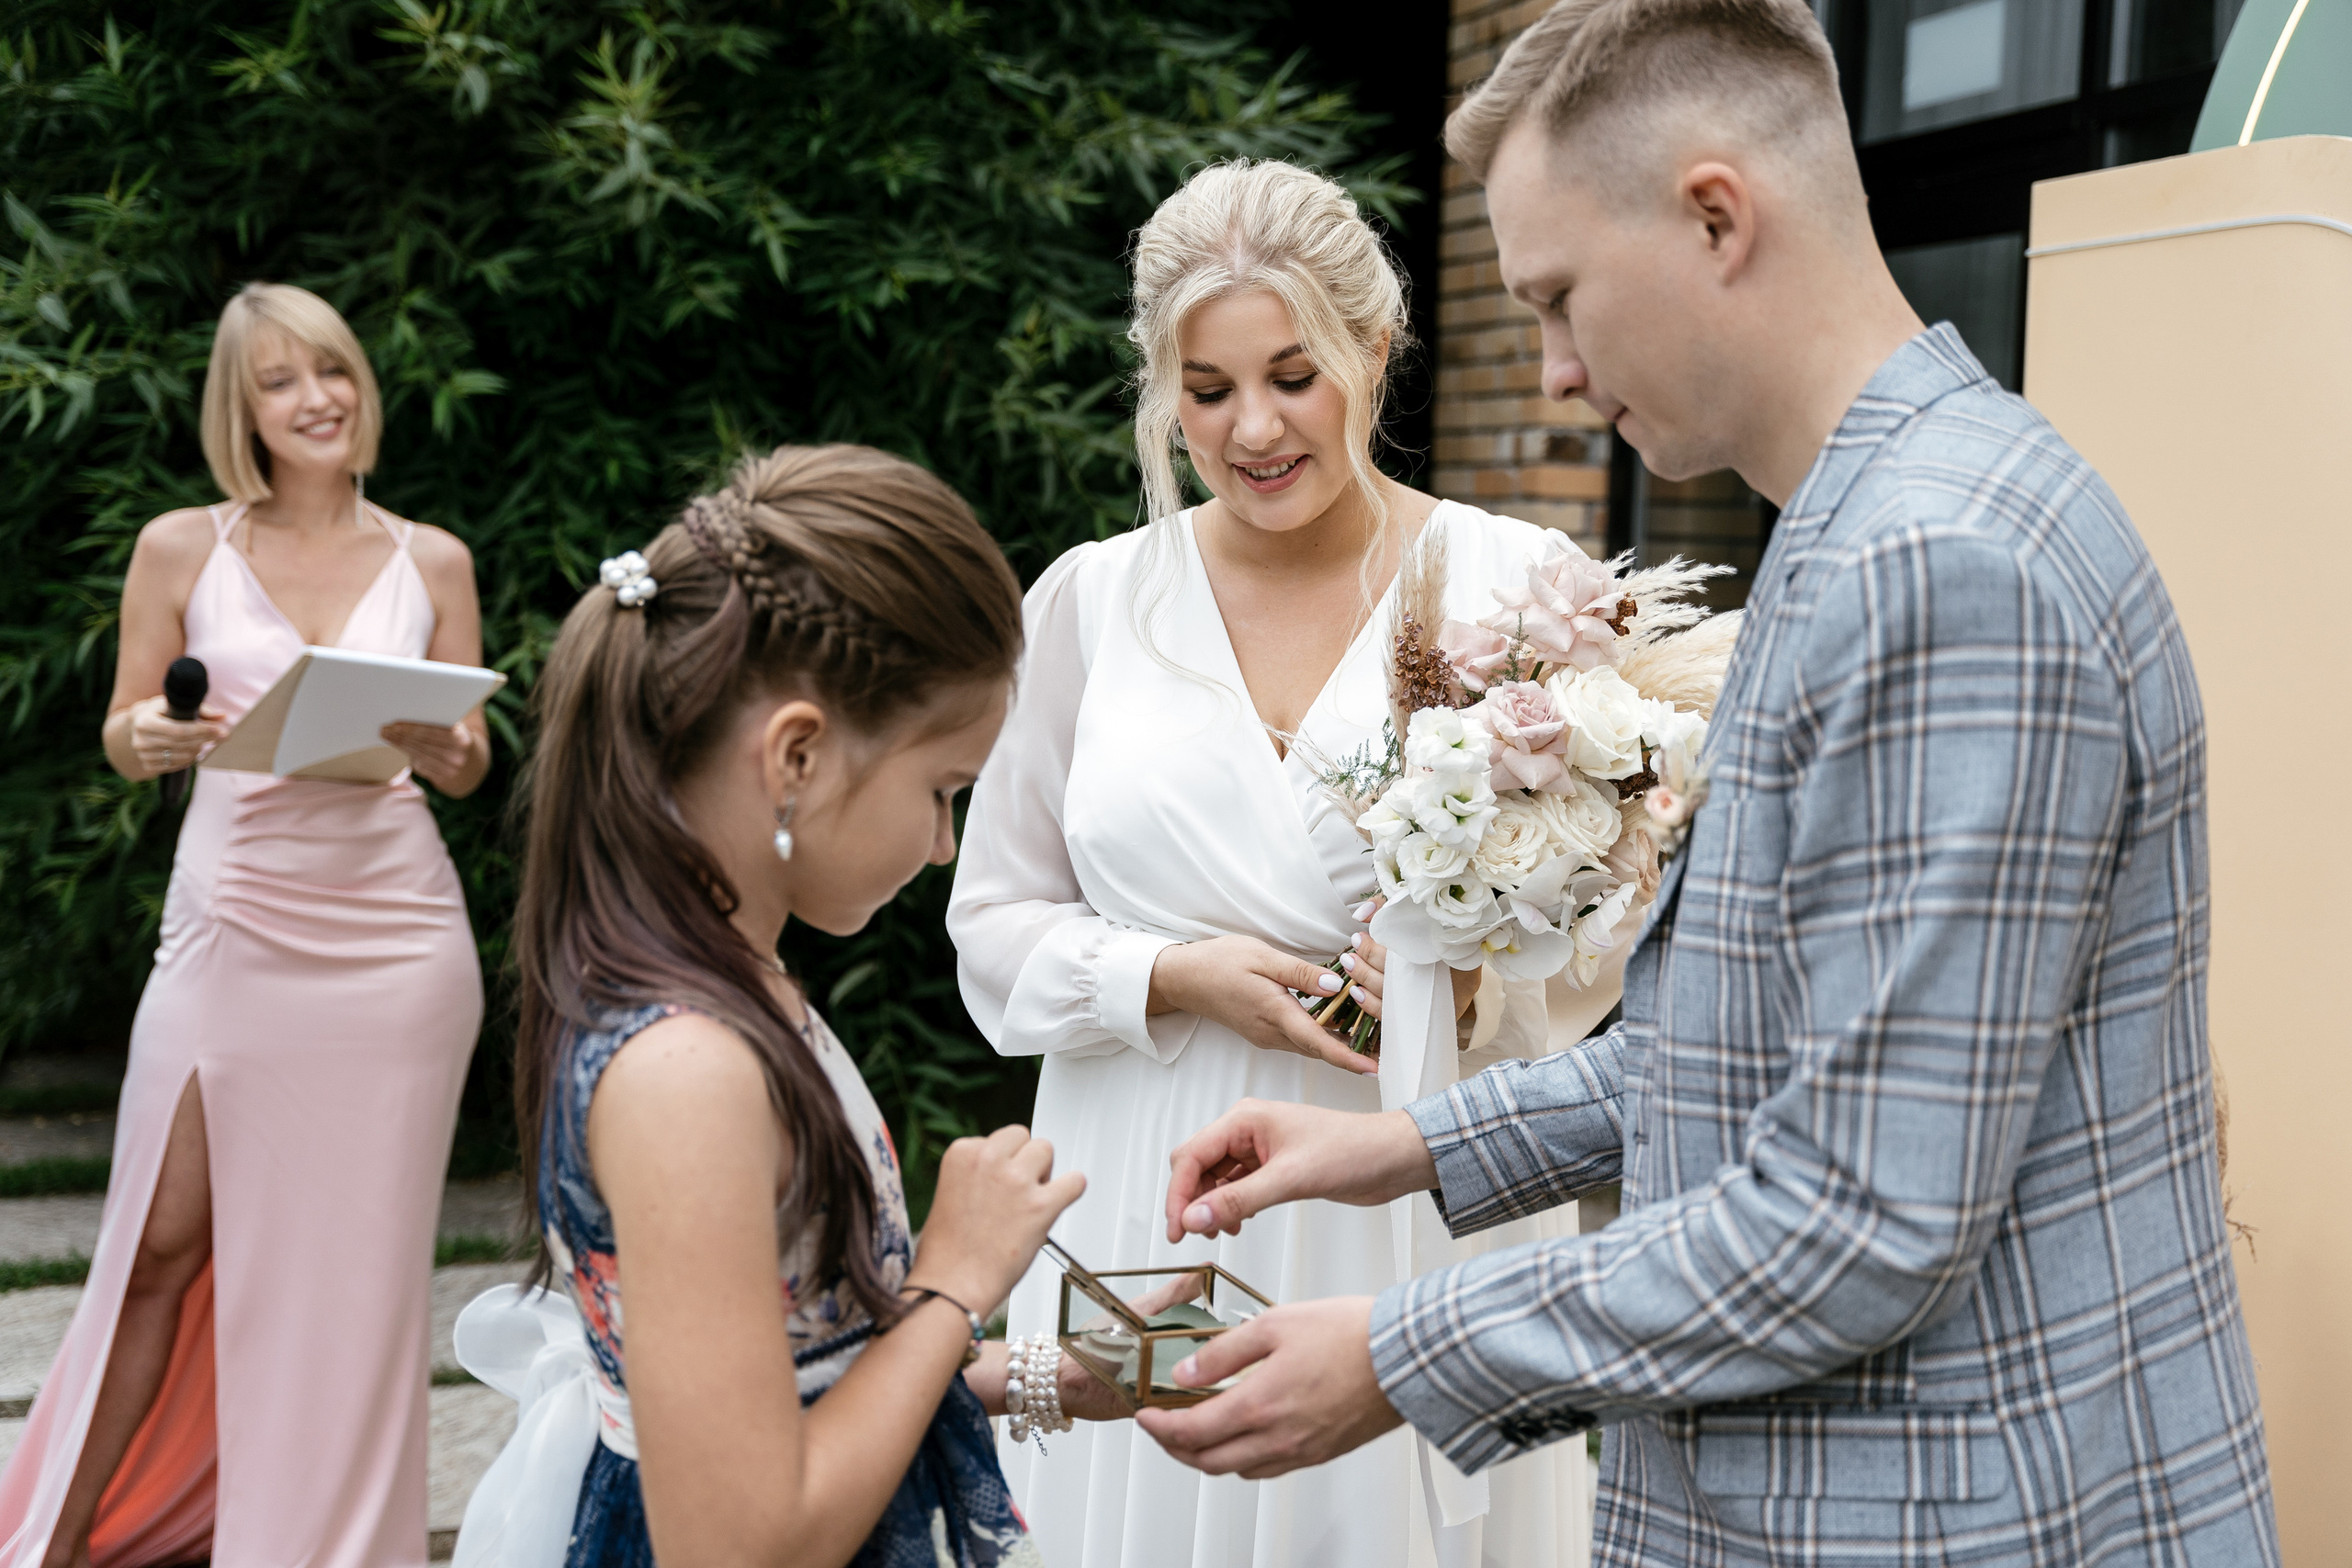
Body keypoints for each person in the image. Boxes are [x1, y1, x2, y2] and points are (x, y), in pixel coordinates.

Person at [1136, 2, 2282, 1564]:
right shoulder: (1863, 520)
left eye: (1556, 297)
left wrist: (1407, 1349)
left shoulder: (1941, 569)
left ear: (1715, 217)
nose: (1547, 370)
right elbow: (1739, 1051)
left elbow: (1861, 1216)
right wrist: (1404, 1148)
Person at [947, 159, 1607, 1568]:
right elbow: (989, 922)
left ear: (1375, 351)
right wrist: (1163, 974)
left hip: (1420, 1192)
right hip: (1141, 1180)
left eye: (1294, 374)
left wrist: (1478, 977)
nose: (1251, 427)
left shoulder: (1521, 588)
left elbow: (1624, 920)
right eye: (1207, 389)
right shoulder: (1087, 602)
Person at [458, 444, 1134, 1568]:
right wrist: (954, 1281)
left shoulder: (730, 985)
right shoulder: (688, 1073)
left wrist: (1040, 1379)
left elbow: (794, 1375)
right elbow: (740, 1542)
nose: (941, 846)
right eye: (939, 790)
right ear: (799, 756)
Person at [0, 282, 492, 1567]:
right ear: (245, 409)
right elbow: (123, 731)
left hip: (395, 938)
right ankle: (57, 1537)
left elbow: (470, 760)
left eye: (331, 370)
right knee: (162, 1239)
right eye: (282, 381)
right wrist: (150, 734)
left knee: (359, 1279)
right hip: (236, 918)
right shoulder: (182, 546)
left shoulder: (431, 556)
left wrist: (447, 745)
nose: (316, 397)